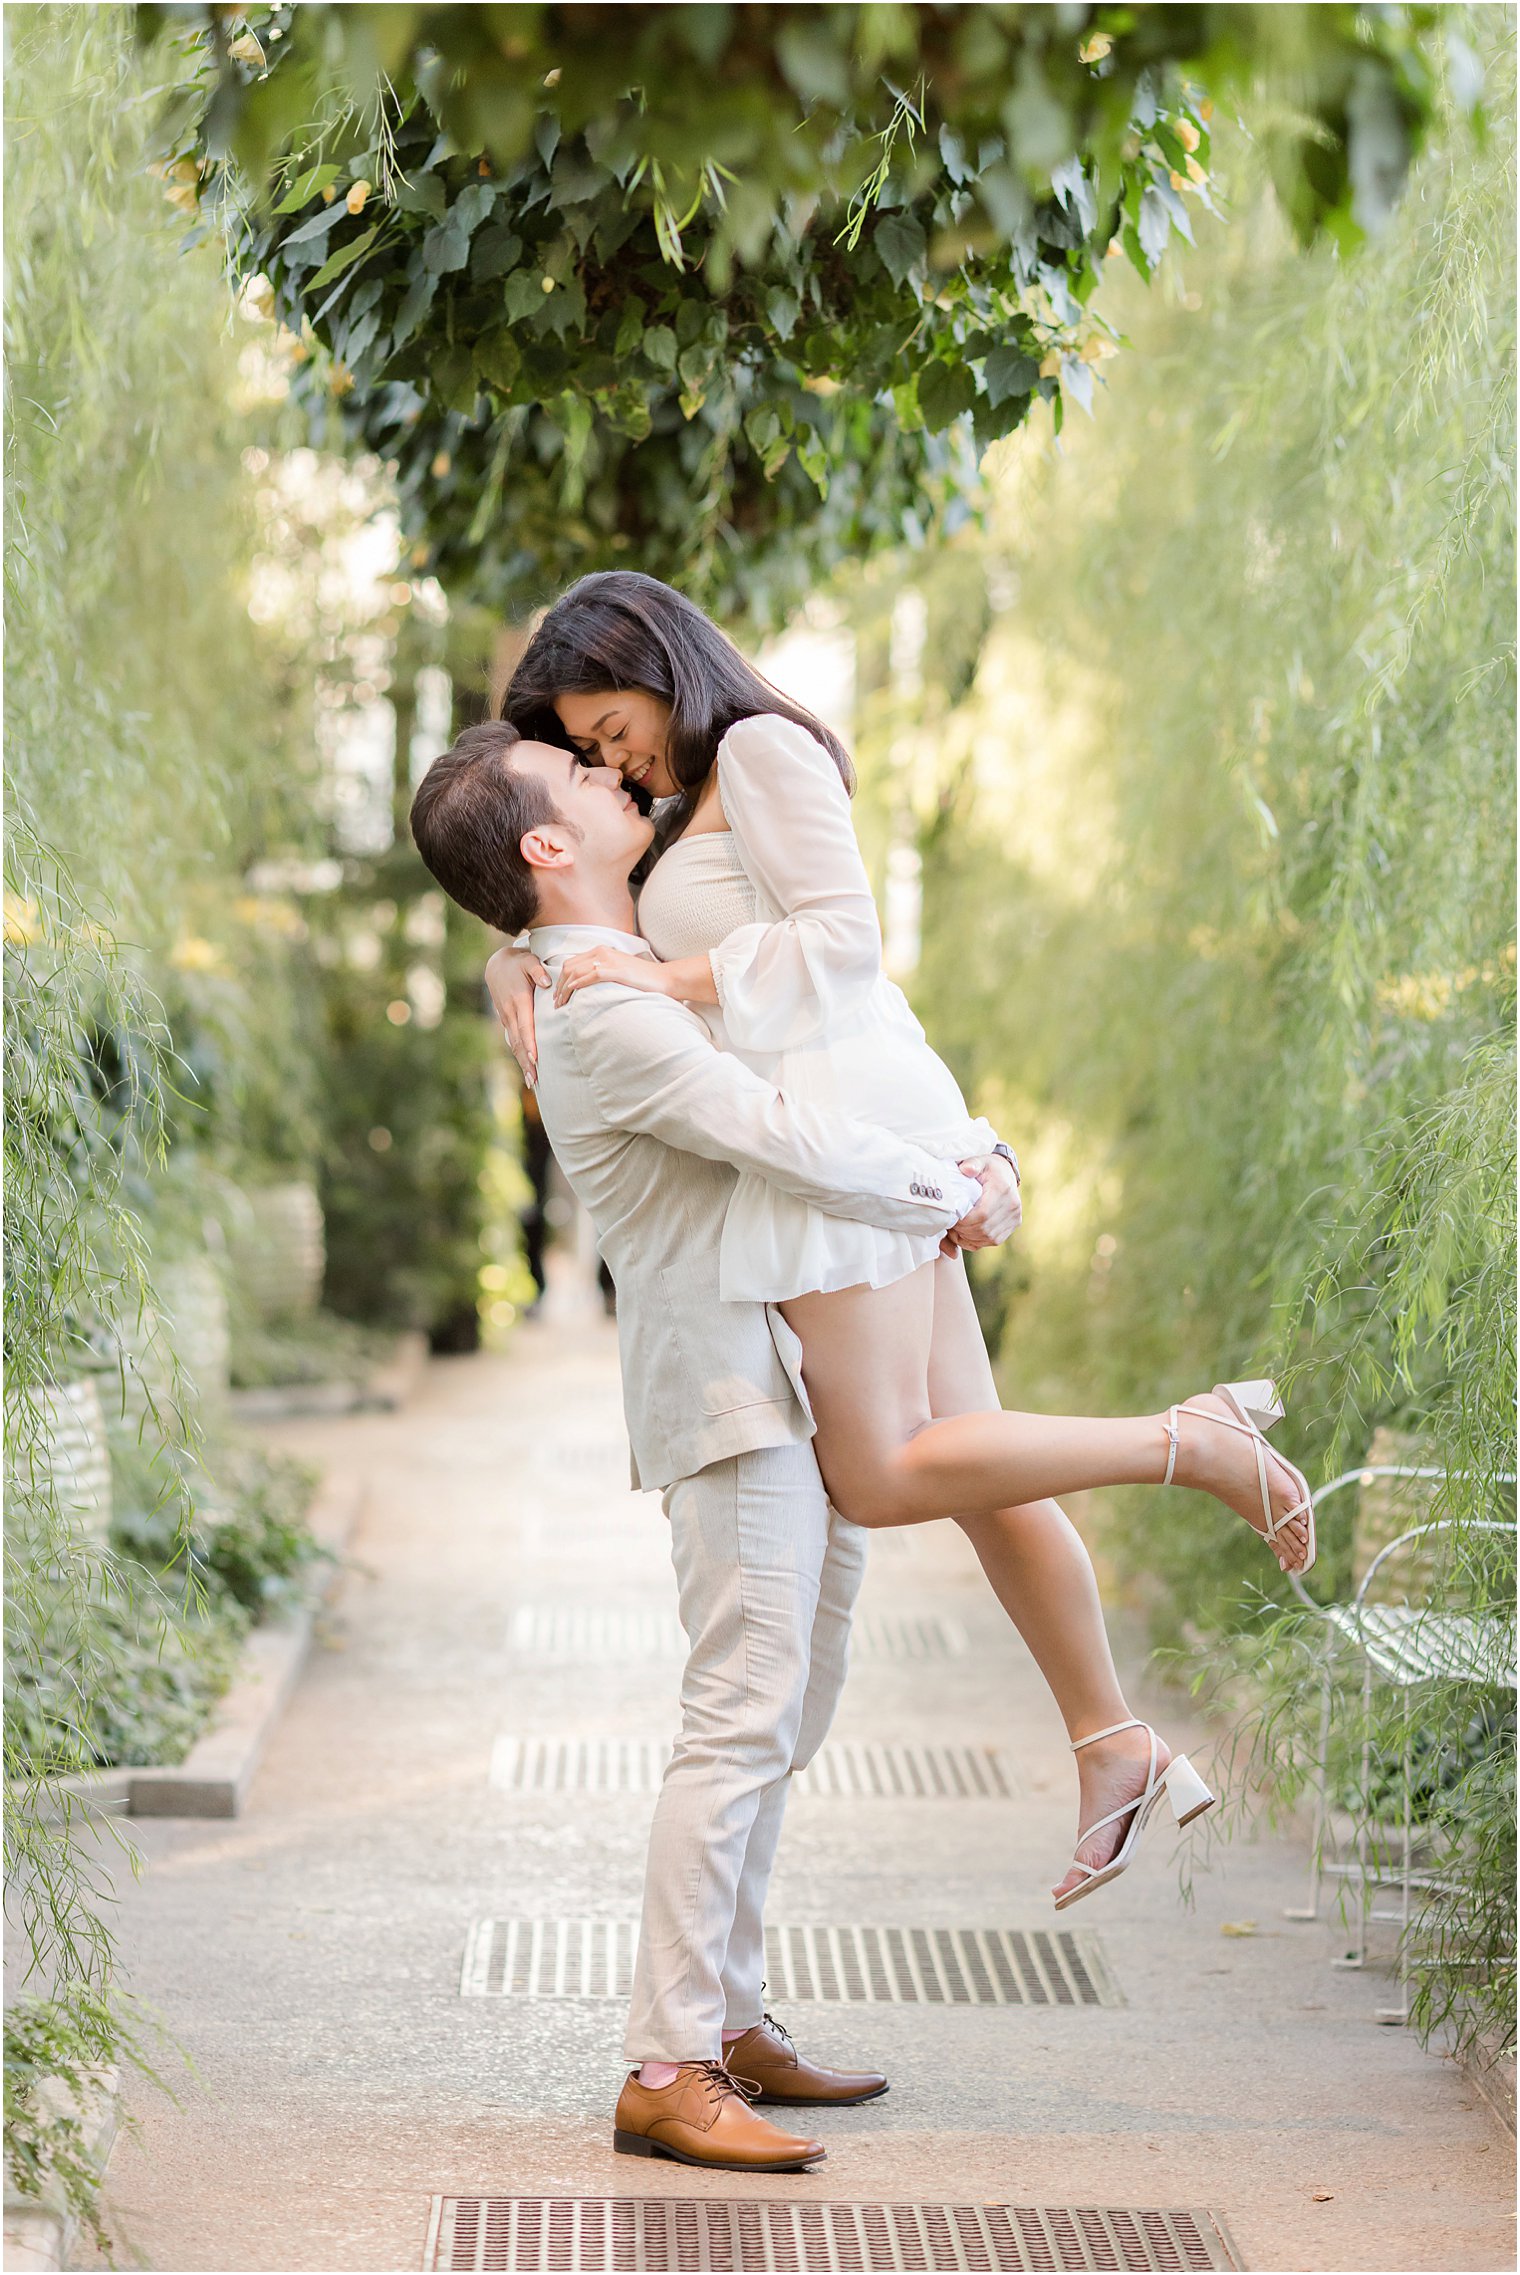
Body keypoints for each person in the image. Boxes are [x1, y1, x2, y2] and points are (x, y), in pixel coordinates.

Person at [485, 572, 1315, 1904]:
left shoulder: (760, 747)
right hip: (838, 1134)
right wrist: (516, 959)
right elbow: (583, 900)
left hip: (838, 1134)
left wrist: (661, 975)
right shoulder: (683, 792)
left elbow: (846, 946)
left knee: (881, 1471)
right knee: (977, 1475)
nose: (609, 758)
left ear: (655, 658)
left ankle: (1190, 1444)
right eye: (587, 751)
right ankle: (1113, 1745)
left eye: (609, 723)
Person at [411, 720, 1015, 2175]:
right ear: (549, 847)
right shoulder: (604, 1013)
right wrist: (963, 1178)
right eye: (585, 781)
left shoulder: (599, 979)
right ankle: (665, 2067)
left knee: (790, 1709)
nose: (622, 776)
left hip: (793, 1372)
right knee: (742, 1715)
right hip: (731, 1393)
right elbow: (784, 1134)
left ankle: (731, 2019)